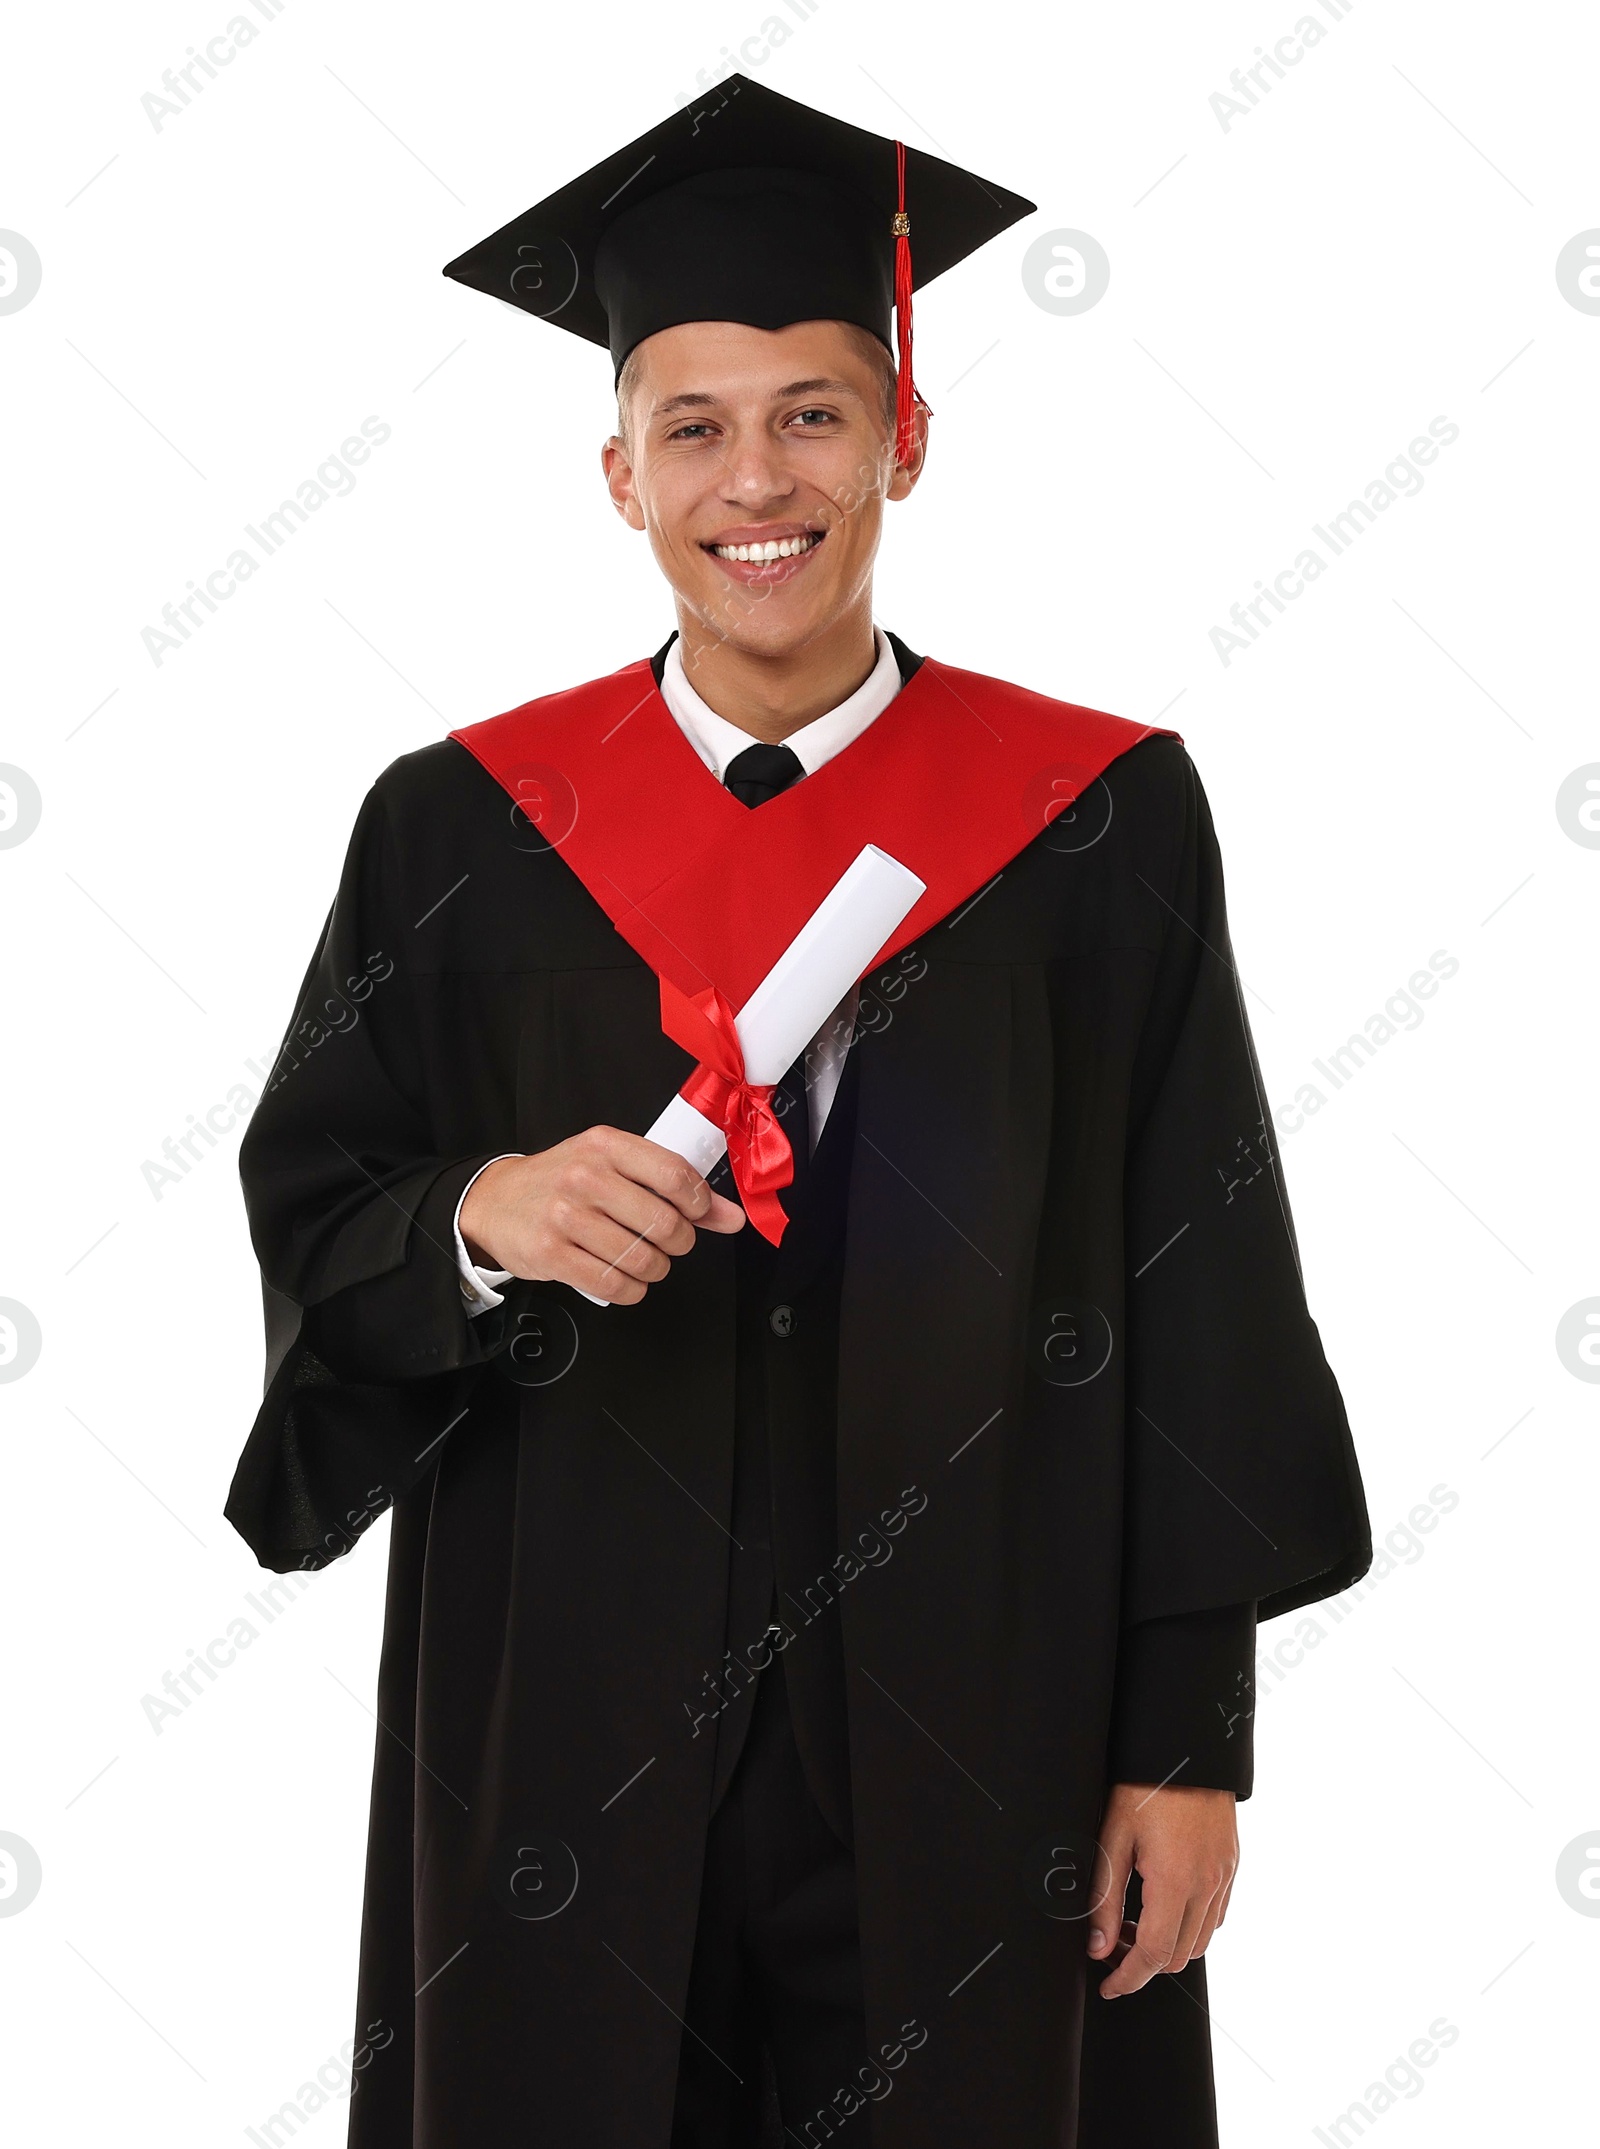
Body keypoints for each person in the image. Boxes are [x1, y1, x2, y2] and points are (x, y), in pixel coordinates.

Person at [227, 74, 1371, 2149]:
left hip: (983, 1722)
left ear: (903, 441)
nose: (757, 476)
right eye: (694, 426)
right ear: (618, 475)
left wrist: (1185, 1737)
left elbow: (1197, 1279)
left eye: (813, 412)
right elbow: (323, 1209)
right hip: (565, 1720)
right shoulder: (464, 831)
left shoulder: (1092, 822)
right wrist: (479, 1213)